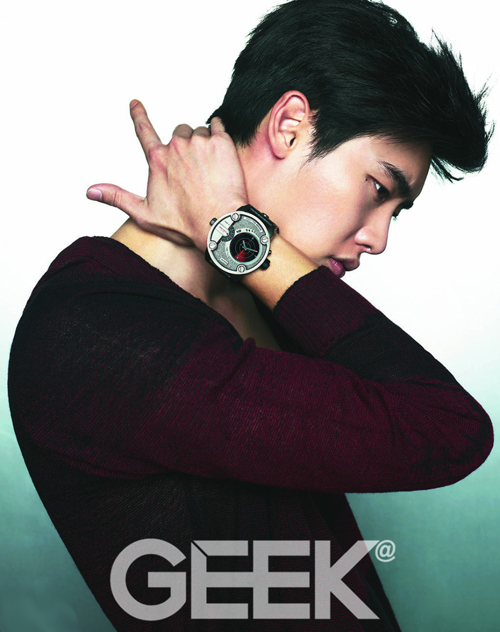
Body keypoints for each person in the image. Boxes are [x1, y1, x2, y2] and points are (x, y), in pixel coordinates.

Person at [7, 0, 494, 630]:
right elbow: (447, 427)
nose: (377, 239)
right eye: (378, 189)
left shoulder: (267, 302)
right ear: (289, 126)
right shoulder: (95, 327)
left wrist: (236, 241)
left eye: (395, 212)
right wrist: (234, 231)